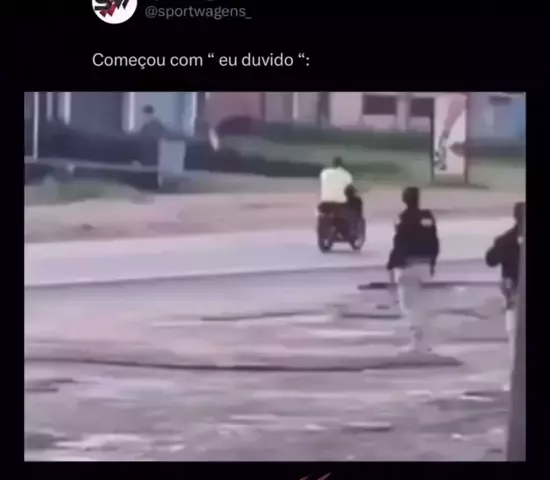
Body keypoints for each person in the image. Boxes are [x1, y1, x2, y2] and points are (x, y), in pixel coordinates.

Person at [387, 187, 440, 353]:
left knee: (408, 306)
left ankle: (418, 341)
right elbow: (434, 241)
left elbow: (399, 243)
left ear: (404, 200)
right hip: (425, 264)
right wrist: (433, 262)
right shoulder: (427, 217)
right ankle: (424, 341)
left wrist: (391, 265)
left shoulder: (403, 218)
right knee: (423, 304)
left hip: (407, 266)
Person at [485, 202, 525, 369]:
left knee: (514, 333)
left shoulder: (505, 240)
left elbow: (490, 260)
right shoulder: (505, 240)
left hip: (513, 293)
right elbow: (491, 260)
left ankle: (517, 369)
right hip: (514, 293)